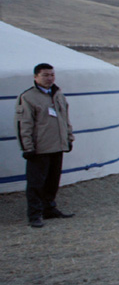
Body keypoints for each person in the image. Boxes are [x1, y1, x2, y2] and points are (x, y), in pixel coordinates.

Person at [15, 63, 74, 228]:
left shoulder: (58, 94)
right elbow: (23, 124)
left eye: (52, 75)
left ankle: (49, 209)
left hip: (57, 145)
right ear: (36, 77)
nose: (49, 78)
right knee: (36, 183)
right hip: (39, 148)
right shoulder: (28, 97)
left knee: (52, 181)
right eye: (45, 75)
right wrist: (27, 147)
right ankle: (34, 214)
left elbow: (65, 119)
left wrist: (69, 138)